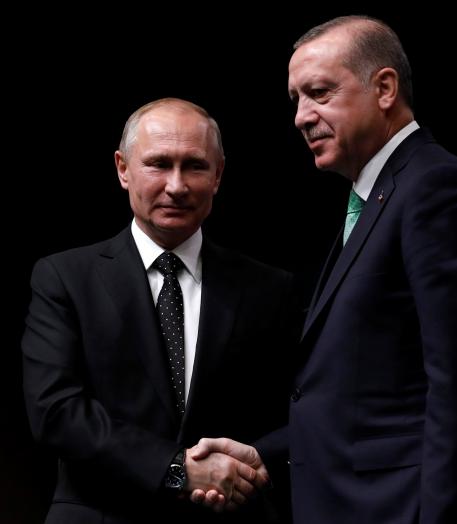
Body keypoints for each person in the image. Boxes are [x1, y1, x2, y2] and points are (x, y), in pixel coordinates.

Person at [192, 15, 457, 523]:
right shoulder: (376, 198)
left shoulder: (437, 192)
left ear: (385, 88)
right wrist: (264, 453)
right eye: (296, 100)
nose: (302, 117)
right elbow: (368, 395)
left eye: (320, 93)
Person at [22, 98, 297, 523]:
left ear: (219, 174)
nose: (176, 185)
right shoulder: (64, 278)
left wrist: (260, 460)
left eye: (195, 166)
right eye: (158, 164)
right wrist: (176, 469)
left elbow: (304, 408)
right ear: (122, 168)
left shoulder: (269, 288)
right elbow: (56, 412)